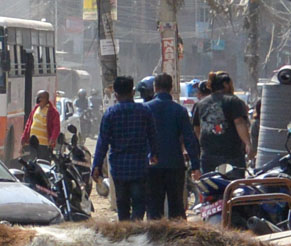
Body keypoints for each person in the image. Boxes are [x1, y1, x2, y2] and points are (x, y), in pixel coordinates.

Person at [90, 75, 153, 221]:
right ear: (132, 92)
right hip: (139, 167)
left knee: (122, 205)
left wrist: (97, 166)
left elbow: (102, 143)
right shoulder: (144, 112)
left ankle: (126, 233)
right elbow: (153, 136)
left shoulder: (110, 114)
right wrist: (154, 154)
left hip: (119, 168)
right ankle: (135, 230)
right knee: (139, 204)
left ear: (116, 95)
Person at [144, 73, 198, 220]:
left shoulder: (145, 109)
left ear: (155, 88)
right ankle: (179, 240)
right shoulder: (179, 111)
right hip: (175, 165)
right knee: (176, 208)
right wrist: (195, 165)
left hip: (151, 165)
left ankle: (154, 240)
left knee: (154, 208)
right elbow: (189, 139)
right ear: (171, 88)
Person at [193, 72, 252, 175]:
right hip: (231, 154)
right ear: (226, 84)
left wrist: (204, 144)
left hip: (208, 155)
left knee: (211, 186)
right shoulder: (233, 101)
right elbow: (239, 123)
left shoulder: (201, 104)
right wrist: (247, 143)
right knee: (232, 187)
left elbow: (197, 128)